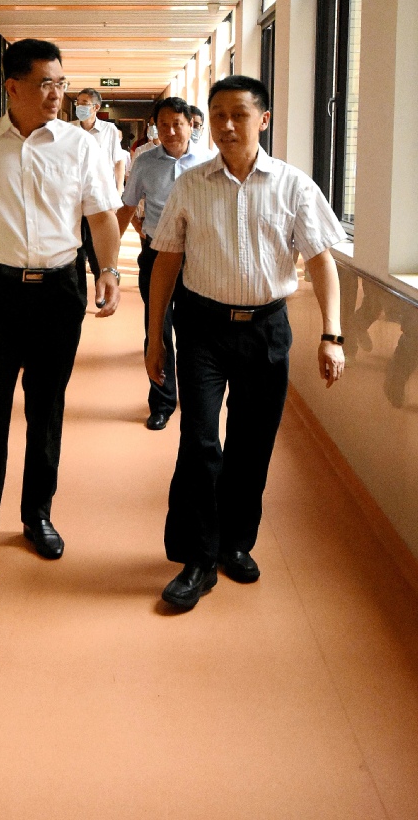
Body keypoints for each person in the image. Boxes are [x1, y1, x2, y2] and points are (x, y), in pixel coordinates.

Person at [0, 39, 122, 592]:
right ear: (12, 87)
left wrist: (108, 270)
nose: (57, 94)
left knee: (46, 411)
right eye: (45, 84)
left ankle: (37, 515)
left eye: (61, 83)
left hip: (59, 293)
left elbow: (102, 216)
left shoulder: (81, 146)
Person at [146, 76, 346, 610]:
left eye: (238, 114)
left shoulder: (293, 185)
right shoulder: (192, 184)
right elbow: (166, 261)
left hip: (266, 330)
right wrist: (155, 336)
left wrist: (332, 334)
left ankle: (235, 543)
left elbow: (321, 260)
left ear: (264, 119)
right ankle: (197, 558)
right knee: (199, 441)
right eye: (217, 115)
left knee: (251, 445)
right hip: (202, 329)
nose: (227, 125)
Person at [116, 97, 199, 430]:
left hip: (197, 259)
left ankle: (196, 401)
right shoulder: (145, 162)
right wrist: (108, 260)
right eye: (163, 124)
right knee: (157, 330)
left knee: (193, 333)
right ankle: (162, 403)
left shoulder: (209, 162)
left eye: (177, 124)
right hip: (155, 255)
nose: (170, 131)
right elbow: (127, 206)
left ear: (191, 125)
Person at [72, 88, 126, 291]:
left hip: (101, 198)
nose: (80, 106)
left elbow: (118, 162)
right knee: (76, 251)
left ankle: (102, 290)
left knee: (98, 252)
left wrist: (118, 193)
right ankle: (79, 297)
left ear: (96, 107)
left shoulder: (109, 130)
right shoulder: (69, 130)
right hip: (74, 200)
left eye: (84, 103)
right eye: (78, 102)